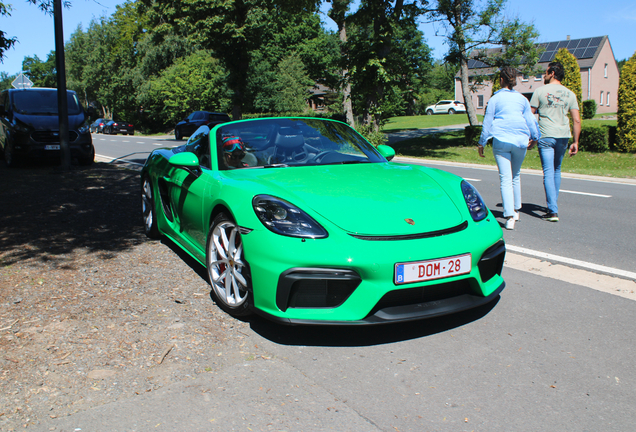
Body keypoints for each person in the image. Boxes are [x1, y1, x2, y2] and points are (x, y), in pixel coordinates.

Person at [477, 66, 540, 230]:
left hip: (502, 139)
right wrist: (535, 138)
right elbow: (531, 121)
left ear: (501, 80)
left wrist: (481, 143)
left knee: (505, 178)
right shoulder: (522, 99)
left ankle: (509, 216)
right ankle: (516, 210)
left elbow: (488, 122)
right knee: (516, 175)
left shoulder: (495, 99)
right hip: (520, 140)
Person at [530, 61, 581, 222]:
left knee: (548, 172)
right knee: (557, 170)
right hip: (563, 136)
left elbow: (530, 116)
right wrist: (576, 142)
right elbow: (577, 120)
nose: (544, 74)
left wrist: (531, 137)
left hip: (546, 135)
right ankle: (553, 205)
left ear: (552, 73)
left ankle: (553, 211)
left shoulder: (539, 91)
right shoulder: (570, 94)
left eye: (546, 72)